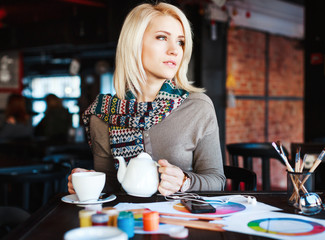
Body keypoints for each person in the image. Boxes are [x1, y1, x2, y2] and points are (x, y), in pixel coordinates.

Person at [67, 2, 225, 196]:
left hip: (184, 218)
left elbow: (217, 181)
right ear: (134, 43)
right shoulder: (103, 113)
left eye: (180, 42)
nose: (175, 50)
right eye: (162, 37)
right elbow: (111, 185)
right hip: (128, 221)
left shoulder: (198, 107)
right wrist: (88, 180)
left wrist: (184, 181)